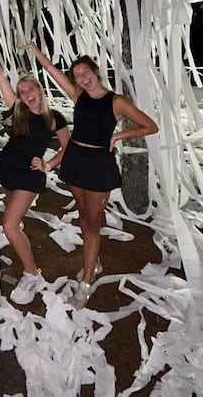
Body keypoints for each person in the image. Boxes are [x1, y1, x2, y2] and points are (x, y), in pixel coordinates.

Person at [20, 42, 158, 309]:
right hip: (75, 161)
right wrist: (36, 49)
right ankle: (94, 262)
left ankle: (86, 282)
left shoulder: (116, 102)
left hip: (99, 165)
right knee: (83, 217)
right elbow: (50, 69)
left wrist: (119, 134)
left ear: (96, 71)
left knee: (93, 223)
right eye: (78, 75)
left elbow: (150, 126)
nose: (83, 78)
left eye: (86, 73)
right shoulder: (78, 95)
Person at [0, 42, 71, 305]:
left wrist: (49, 165)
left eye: (31, 88)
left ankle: (32, 273)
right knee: (15, 218)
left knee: (8, 224)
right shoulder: (18, 110)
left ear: (39, 91)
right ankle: (21, 237)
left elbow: (67, 147)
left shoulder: (55, 118)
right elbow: (0, 78)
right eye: (22, 91)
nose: (27, 93)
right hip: (7, 169)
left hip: (30, 176)